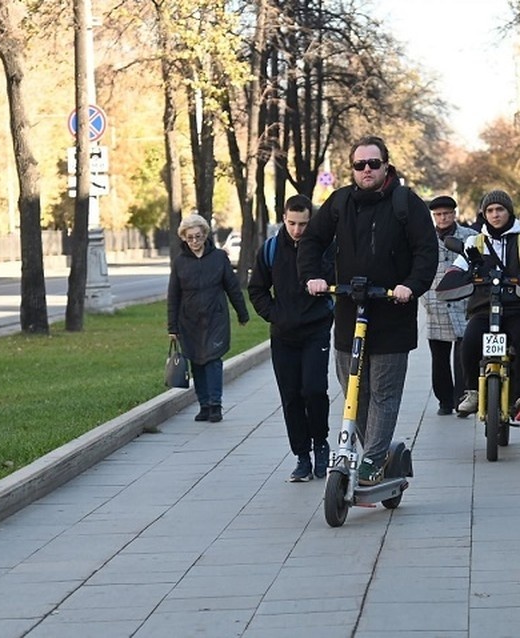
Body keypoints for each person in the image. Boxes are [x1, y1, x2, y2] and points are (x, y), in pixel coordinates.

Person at [298, 135, 437, 485]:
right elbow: (312, 240)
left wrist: (410, 286)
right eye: (359, 165)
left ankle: (373, 460)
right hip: (349, 312)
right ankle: (380, 453)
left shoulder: (407, 203)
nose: (367, 170)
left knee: (384, 393)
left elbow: (426, 252)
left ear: (386, 165)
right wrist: (313, 276)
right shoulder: (339, 202)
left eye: (374, 164)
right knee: (353, 393)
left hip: (392, 313)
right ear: (352, 169)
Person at [248, 194, 335, 482]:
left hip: (316, 330)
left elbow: (336, 283)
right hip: (283, 334)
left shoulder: (323, 248)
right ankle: (301, 456)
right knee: (291, 396)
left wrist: (326, 302)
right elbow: (257, 289)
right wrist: (274, 314)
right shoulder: (270, 249)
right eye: (292, 223)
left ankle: (321, 444)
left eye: (304, 224)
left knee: (313, 389)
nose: (297, 230)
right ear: (284, 218)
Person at [454, 189, 520, 416]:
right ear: (484, 214)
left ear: (509, 212)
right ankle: (472, 392)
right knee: (468, 342)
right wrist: (456, 276)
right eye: (490, 210)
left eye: (500, 209)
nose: (495, 214)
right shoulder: (474, 241)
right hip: (483, 308)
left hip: (519, 308)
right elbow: (458, 267)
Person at [167, 213, 249, 423]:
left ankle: (215, 405)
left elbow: (232, 287)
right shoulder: (180, 263)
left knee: (213, 361)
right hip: (189, 321)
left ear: (205, 235)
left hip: (216, 319)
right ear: (184, 238)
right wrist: (172, 327)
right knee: (197, 362)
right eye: (189, 237)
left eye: (198, 236)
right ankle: (203, 404)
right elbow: (173, 296)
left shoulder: (219, 258)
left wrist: (242, 312)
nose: (194, 241)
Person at [421, 195, 477, 416]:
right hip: (435, 302)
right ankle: (444, 400)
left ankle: (462, 399)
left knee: (464, 354)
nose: (442, 218)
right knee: (439, 357)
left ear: (454, 214)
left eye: (446, 214)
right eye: (438, 214)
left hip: (464, 301)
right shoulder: (425, 239)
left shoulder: (470, 237)